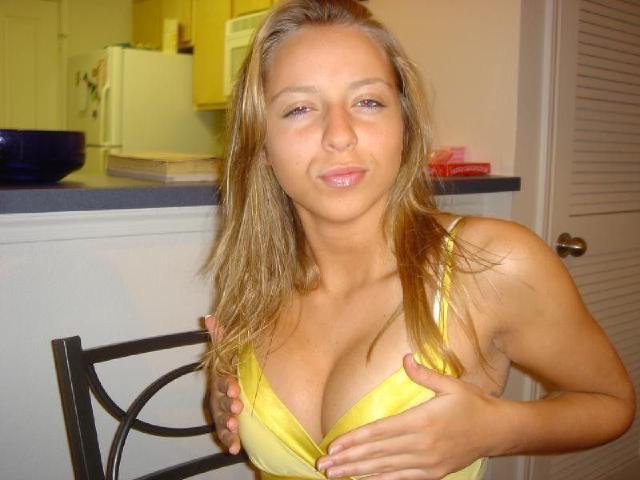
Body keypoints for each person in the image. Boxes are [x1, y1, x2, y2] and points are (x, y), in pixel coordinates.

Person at [203, 1, 636, 479]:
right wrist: (232, 402)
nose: (339, 135)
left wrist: (497, 428)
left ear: (404, 126)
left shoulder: (492, 265)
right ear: (262, 143)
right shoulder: (254, 282)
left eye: (368, 102)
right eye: (300, 108)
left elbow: (612, 402)